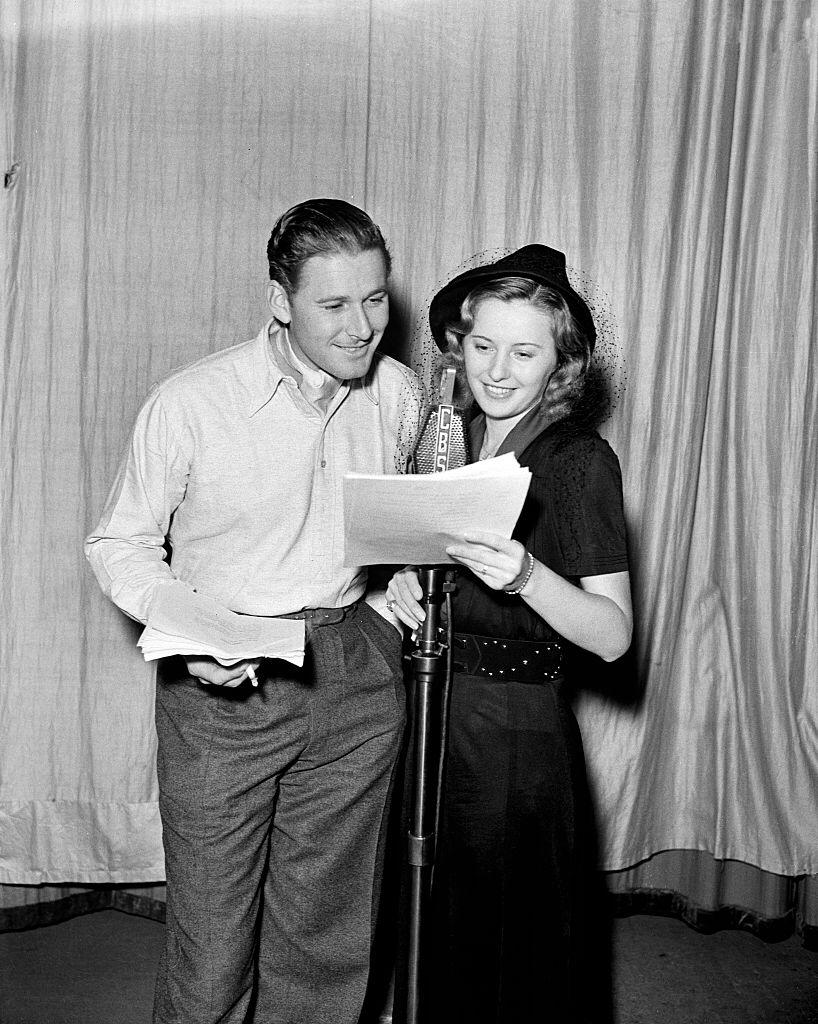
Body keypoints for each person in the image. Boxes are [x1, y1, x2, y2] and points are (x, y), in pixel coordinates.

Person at [85, 198, 422, 1024]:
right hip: (222, 692)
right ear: (280, 300)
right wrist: (189, 632)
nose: (362, 328)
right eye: (334, 305)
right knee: (213, 949)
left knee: (327, 939)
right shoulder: (192, 402)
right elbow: (119, 544)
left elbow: (390, 527)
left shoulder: (402, 394)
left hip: (356, 676)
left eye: (375, 299)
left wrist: (389, 594)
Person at [385, 245, 632, 1023]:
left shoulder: (577, 462)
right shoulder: (448, 438)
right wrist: (400, 581)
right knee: (433, 925)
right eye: (483, 346)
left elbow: (614, 636)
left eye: (525, 352)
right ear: (459, 345)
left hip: (515, 737)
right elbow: (421, 561)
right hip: (430, 712)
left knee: (508, 945)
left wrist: (526, 573)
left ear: (562, 362)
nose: (497, 370)